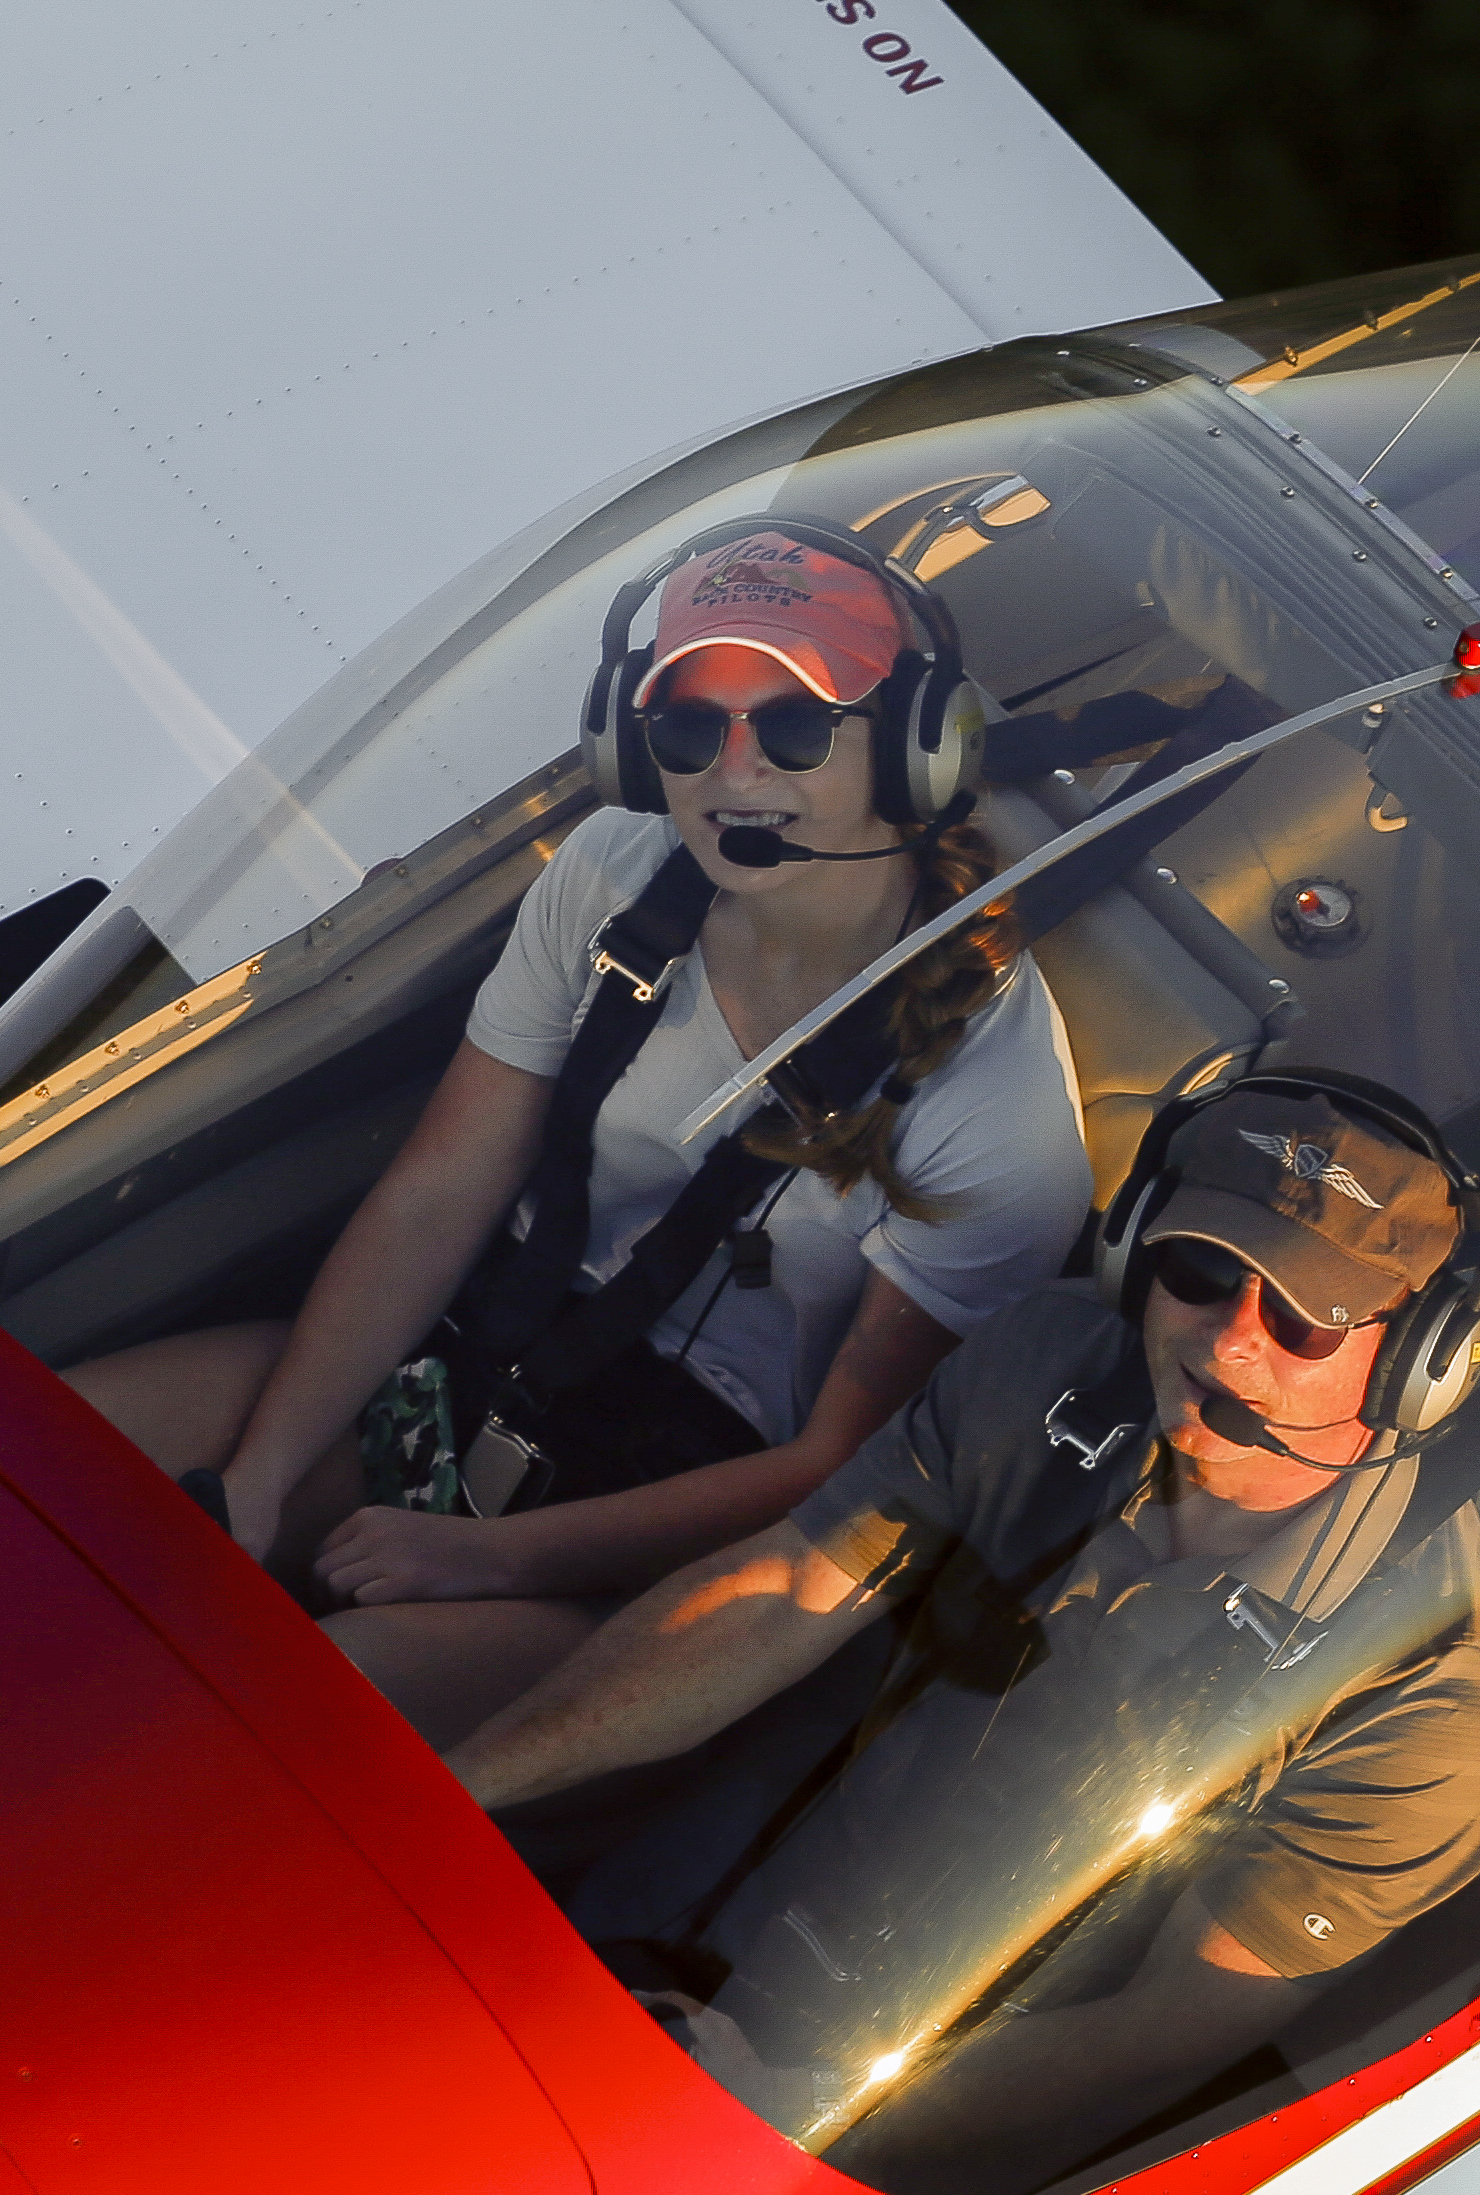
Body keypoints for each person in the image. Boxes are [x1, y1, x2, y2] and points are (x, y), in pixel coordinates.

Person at [72, 523, 1090, 1742]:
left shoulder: (1001, 1108)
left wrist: (495, 1561)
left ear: (915, 751)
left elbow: (837, 1472)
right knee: (48, 1466)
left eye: (797, 726)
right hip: (463, 1371)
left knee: (287, 1730)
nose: (734, 769)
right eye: (688, 726)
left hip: (662, 1522)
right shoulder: (616, 873)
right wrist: (257, 1479)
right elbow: (441, 1189)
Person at [451, 1077, 1480, 2195]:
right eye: (1204, 1272)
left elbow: (1160, 2030)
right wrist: (464, 1788)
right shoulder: (1052, 1362)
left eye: (1308, 1318)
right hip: (671, 1935)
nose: (1232, 1341)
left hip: (874, 2149)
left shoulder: (1428, 1699)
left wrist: (802, 2110)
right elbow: (786, 1589)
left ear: (1424, 1368)